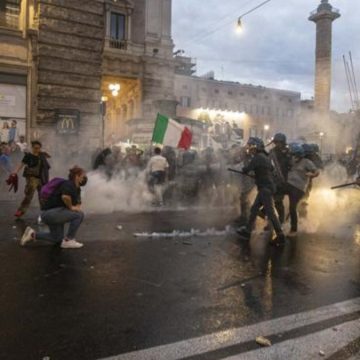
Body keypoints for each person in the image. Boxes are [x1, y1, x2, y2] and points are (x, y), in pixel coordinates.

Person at [20, 166, 88, 249]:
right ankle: (68, 240)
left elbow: (77, 205)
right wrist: (71, 207)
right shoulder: (69, 184)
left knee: (57, 238)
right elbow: (65, 197)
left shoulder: (77, 189)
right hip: (51, 213)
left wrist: (75, 207)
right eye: (83, 176)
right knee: (79, 215)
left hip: (56, 214)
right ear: (77, 176)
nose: (85, 178)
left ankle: (32, 234)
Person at [237, 137, 286, 247]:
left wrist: (246, 170)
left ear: (257, 147)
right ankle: (248, 231)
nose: (250, 149)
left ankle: (280, 235)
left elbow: (246, 169)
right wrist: (259, 174)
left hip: (265, 188)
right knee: (254, 209)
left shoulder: (258, 157)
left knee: (271, 213)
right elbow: (270, 170)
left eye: (252, 147)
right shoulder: (265, 157)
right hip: (266, 187)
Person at [285, 143, 319, 237]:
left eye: (294, 155)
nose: (293, 157)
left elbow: (316, 171)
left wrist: (312, 174)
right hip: (289, 185)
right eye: (292, 155)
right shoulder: (292, 160)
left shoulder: (307, 162)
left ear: (299, 155)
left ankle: (294, 228)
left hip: (298, 188)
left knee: (293, 207)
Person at [13, 140, 51, 218]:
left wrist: (43, 152)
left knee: (43, 195)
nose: (37, 149)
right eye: (35, 148)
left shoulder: (41, 155)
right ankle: (21, 211)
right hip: (32, 177)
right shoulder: (28, 156)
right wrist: (15, 172)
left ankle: (45, 212)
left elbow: (49, 157)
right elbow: (21, 164)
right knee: (29, 195)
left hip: (41, 178)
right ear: (32, 147)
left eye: (38, 148)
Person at [269, 133, 292, 224]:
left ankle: (284, 220)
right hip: (276, 180)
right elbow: (269, 163)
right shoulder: (272, 152)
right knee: (274, 201)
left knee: (289, 202)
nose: (278, 144)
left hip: (287, 179)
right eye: (276, 142)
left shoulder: (288, 152)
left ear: (283, 142)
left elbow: (292, 165)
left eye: (280, 142)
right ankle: (277, 220)